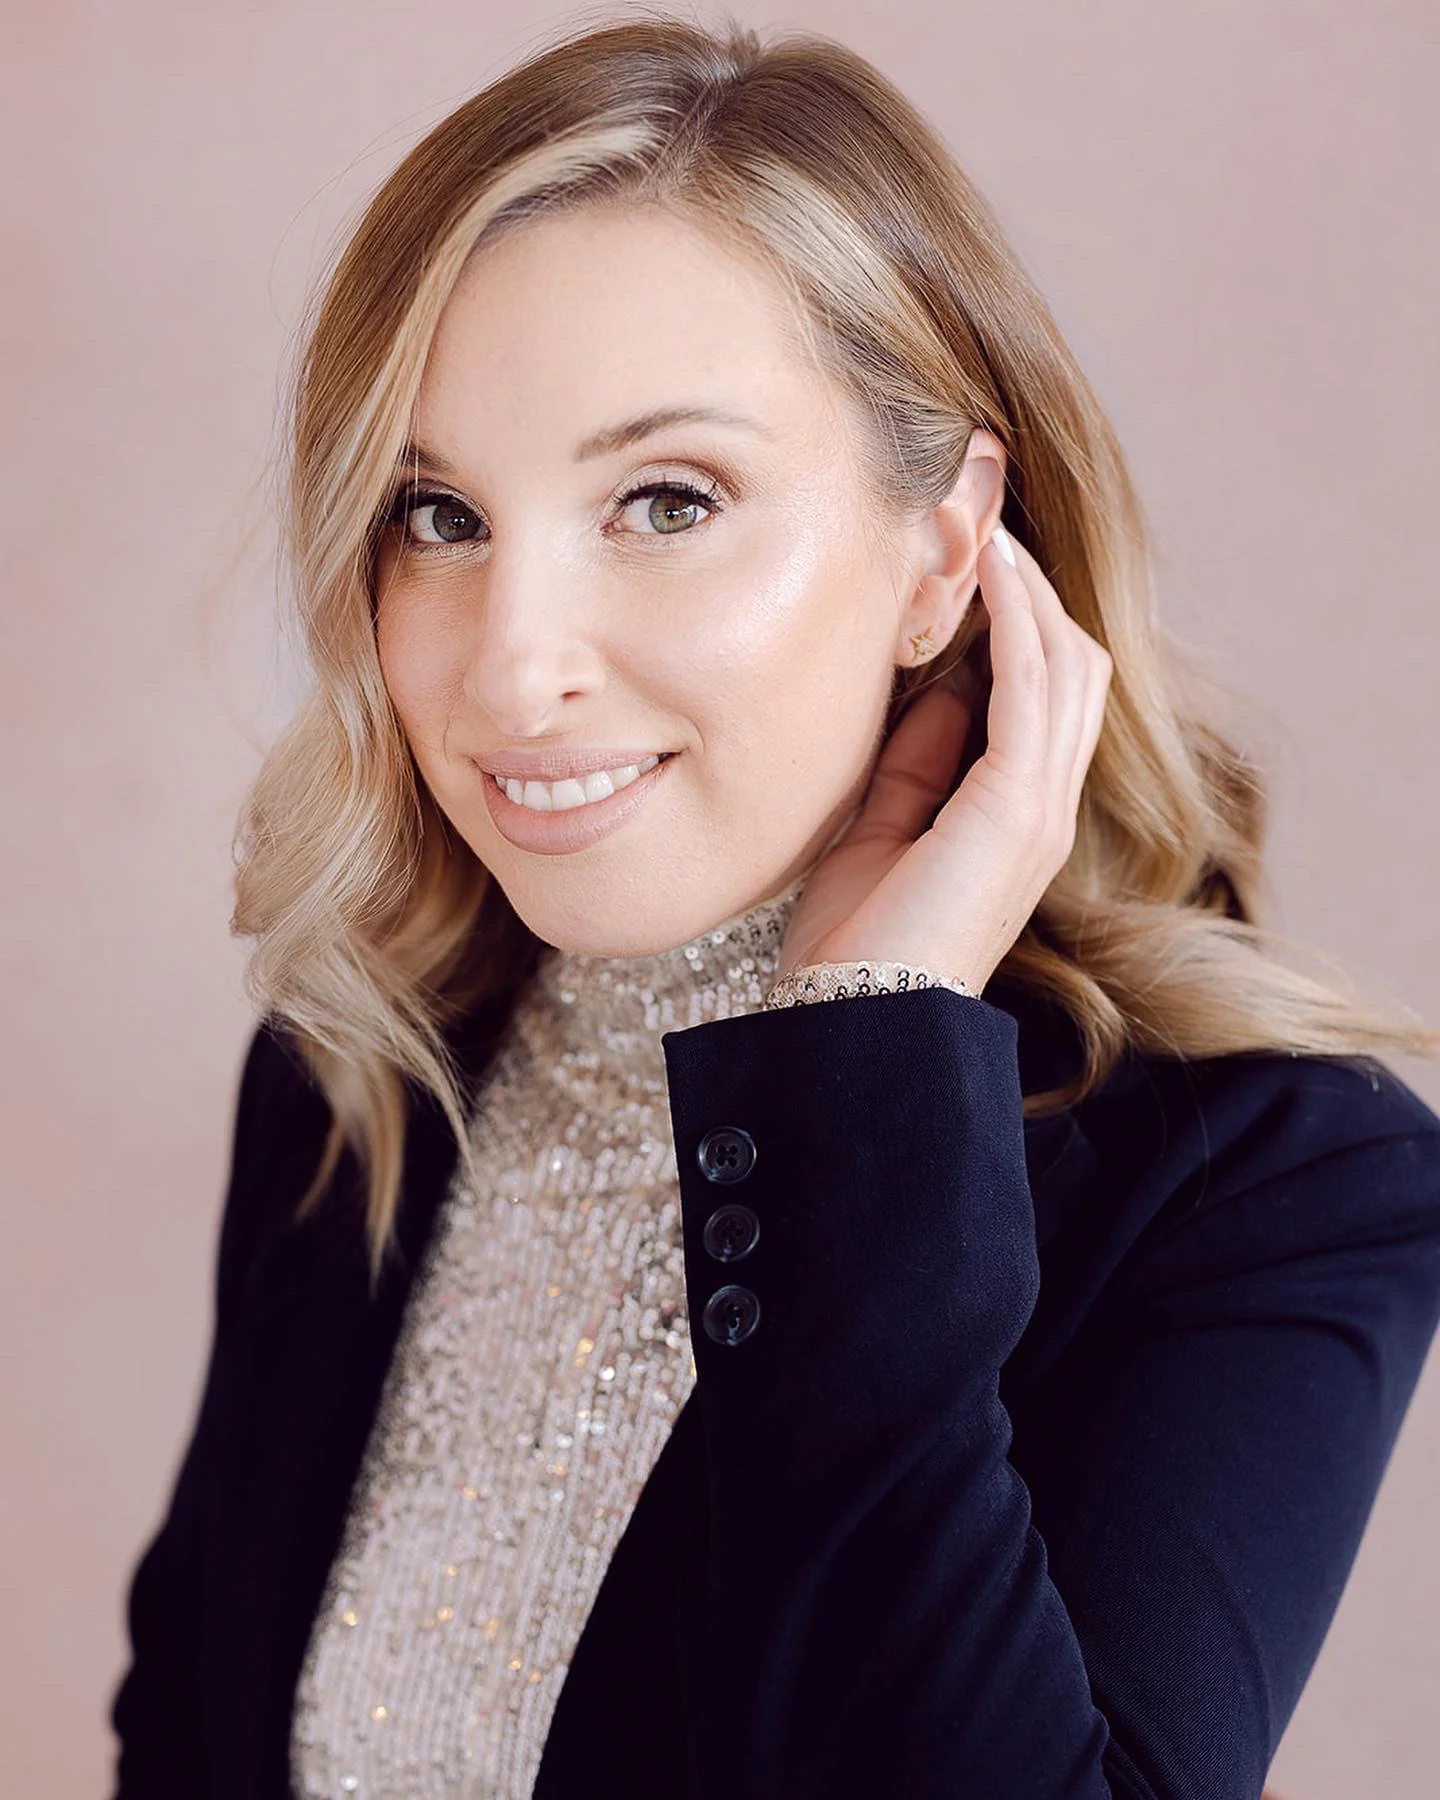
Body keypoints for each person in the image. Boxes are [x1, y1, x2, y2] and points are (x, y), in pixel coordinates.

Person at [109, 14, 1440, 1799]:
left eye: (666, 499)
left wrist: (865, 1070)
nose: (511, 670)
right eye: (439, 515)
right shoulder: (359, 1074)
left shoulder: (1279, 1182)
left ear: (948, 547)